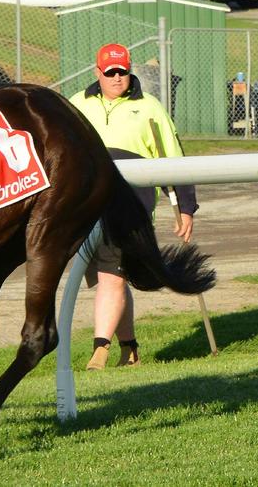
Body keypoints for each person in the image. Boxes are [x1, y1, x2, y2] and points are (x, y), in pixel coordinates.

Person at [69, 43, 198, 370]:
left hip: (129, 210)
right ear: (97, 72)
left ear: (129, 71)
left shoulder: (150, 107)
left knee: (112, 277)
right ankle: (131, 349)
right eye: (109, 72)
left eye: (121, 72)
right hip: (85, 208)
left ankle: (100, 350)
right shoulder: (77, 104)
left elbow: (173, 155)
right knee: (108, 280)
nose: (116, 78)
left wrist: (185, 206)